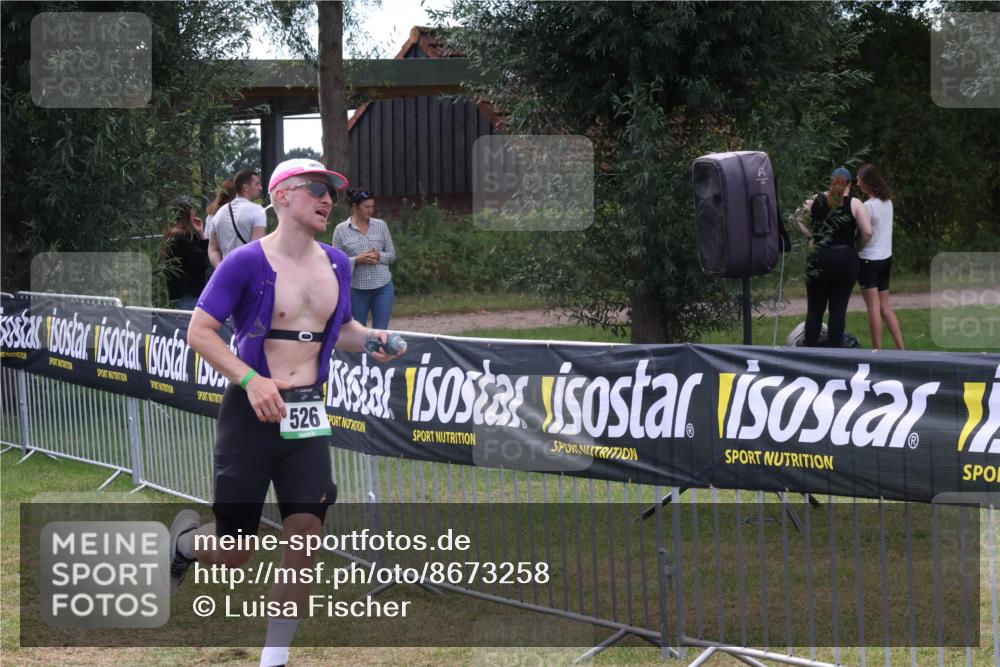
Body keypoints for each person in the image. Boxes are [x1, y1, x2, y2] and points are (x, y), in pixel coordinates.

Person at [169, 158, 403, 667]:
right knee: (235, 549)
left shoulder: (339, 264)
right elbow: (200, 332)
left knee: (306, 537)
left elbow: (336, 331)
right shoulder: (246, 262)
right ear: (281, 197)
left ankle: (272, 660)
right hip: (250, 413)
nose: (326, 199)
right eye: (315, 189)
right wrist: (251, 381)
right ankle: (184, 545)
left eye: (330, 193)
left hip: (305, 417)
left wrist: (372, 340)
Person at [794, 167, 873, 347]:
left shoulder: (815, 200)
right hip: (845, 259)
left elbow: (795, 217)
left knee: (814, 309)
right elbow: (867, 232)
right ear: (849, 184)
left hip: (819, 257)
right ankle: (836, 354)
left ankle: (810, 352)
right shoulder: (855, 204)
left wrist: (810, 236)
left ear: (831, 182)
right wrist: (857, 247)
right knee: (838, 309)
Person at [332, 190, 397, 328]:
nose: (370, 210)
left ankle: (376, 351)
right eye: (366, 207)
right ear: (355, 207)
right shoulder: (340, 230)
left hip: (383, 287)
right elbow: (336, 263)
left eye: (372, 207)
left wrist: (379, 256)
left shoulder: (381, 226)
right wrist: (357, 260)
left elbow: (392, 255)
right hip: (356, 289)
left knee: (381, 333)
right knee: (357, 330)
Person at [856, 164, 904, 350]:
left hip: (868, 260)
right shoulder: (887, 202)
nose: (857, 182)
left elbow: (866, 234)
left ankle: (877, 351)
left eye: (859, 179)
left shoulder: (867, 206)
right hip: (886, 258)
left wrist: (857, 247)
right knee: (886, 307)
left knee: (873, 308)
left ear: (868, 182)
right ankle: (901, 349)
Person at [208, 169, 266, 266]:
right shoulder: (257, 210)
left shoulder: (219, 213)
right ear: (246, 187)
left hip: (226, 276)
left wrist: (221, 269)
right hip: (247, 276)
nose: (261, 188)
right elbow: (256, 249)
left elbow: (212, 249)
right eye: (257, 184)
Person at [162, 200, 210, 310]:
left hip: (178, 291)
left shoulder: (171, 235)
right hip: (190, 291)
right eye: (192, 211)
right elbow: (203, 262)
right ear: (186, 214)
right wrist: (202, 236)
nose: (194, 213)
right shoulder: (183, 237)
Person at [203, 179, 238, 266]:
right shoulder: (239, 213)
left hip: (217, 262)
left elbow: (208, 239)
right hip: (236, 259)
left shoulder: (211, 215)